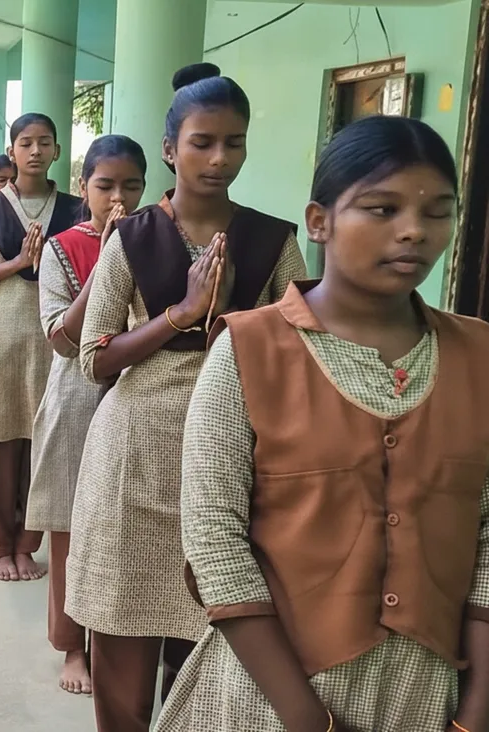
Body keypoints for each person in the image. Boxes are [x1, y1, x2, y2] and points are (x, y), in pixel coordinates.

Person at [156, 115, 489, 732]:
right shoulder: (249, 351)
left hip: (421, 695)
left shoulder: (478, 357)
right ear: (319, 221)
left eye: (439, 212)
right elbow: (214, 543)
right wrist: (311, 721)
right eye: (382, 209)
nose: (415, 230)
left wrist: (475, 712)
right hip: (271, 694)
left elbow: (487, 545)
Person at [65, 64, 307, 731]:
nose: (219, 158)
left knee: (215, 652)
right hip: (132, 460)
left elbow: (302, 353)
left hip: (233, 462)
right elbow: (93, 359)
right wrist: (183, 312)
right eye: (203, 142)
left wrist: (232, 320)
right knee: (122, 645)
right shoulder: (130, 237)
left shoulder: (273, 240)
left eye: (234, 142)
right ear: (171, 149)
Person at [25, 135, 148, 696]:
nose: (117, 197)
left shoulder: (159, 240)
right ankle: (72, 647)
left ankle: (120, 643)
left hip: (138, 395)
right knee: (72, 531)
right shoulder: (62, 248)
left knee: (125, 531)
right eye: (105, 186)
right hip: (78, 397)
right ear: (83, 188)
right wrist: (110, 259)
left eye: (131, 186)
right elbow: (64, 339)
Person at [0, 113, 83, 583]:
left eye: (44, 142)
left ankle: (30, 544)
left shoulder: (75, 210)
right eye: (25, 143)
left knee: (43, 446)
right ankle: (2, 547)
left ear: (57, 152)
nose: (34, 151)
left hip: (52, 345)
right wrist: (18, 263)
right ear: (12, 152)